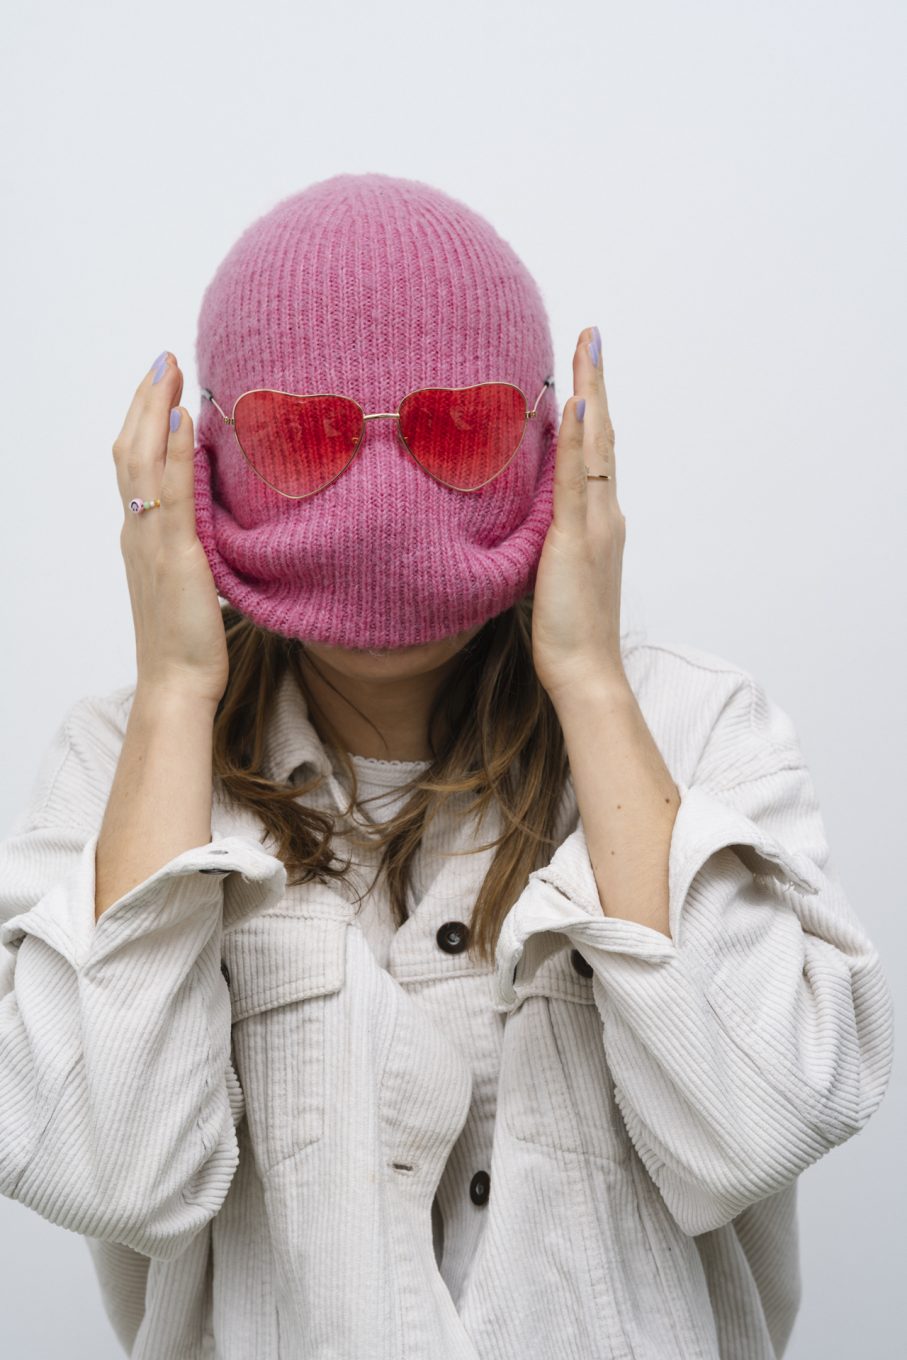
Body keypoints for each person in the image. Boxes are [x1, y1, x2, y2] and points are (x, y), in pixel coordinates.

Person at [0, 173, 894, 1359]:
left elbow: (762, 1121)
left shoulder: (690, 724)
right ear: (203, 453)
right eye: (301, 438)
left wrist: (586, 678)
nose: (381, 511)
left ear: (547, 435)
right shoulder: (124, 760)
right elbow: (105, 1171)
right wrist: (174, 689)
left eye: (456, 430)